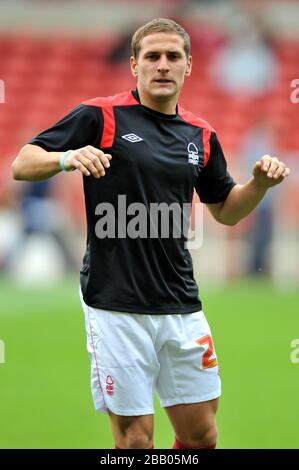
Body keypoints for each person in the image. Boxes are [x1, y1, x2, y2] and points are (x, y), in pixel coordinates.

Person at [11, 18, 290, 450]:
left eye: (173, 57)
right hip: (115, 304)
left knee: (201, 435)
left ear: (188, 66)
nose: (163, 65)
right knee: (136, 442)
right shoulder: (100, 116)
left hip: (180, 302)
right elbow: (23, 163)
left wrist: (258, 185)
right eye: (153, 56)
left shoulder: (201, 135)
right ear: (134, 65)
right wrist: (67, 157)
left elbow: (227, 212)